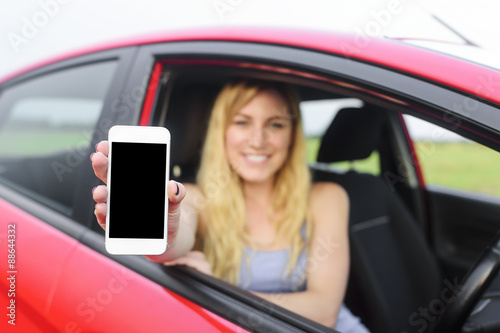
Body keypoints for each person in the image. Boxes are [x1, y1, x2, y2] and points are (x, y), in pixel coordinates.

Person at [91, 80, 369, 332]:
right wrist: (165, 232)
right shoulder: (199, 198)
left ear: (293, 136)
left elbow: (324, 314)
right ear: (221, 132)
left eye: (275, 124)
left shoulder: (326, 197)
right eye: (242, 122)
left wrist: (224, 292)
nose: (258, 140)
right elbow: (176, 237)